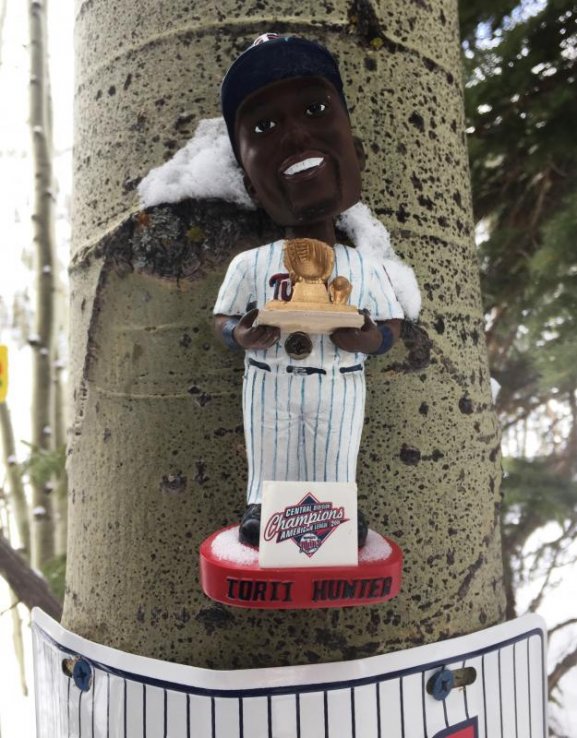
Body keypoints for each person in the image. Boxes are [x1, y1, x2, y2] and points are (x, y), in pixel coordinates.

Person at [214, 34, 410, 547]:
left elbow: (390, 326)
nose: (296, 134)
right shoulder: (251, 264)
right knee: (271, 455)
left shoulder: (362, 265)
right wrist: (240, 334)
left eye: (315, 109)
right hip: (270, 377)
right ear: (251, 186)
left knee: (335, 456)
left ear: (356, 152)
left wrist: (369, 338)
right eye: (264, 127)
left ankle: (337, 514)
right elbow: (223, 319)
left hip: (339, 377)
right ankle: (264, 512)